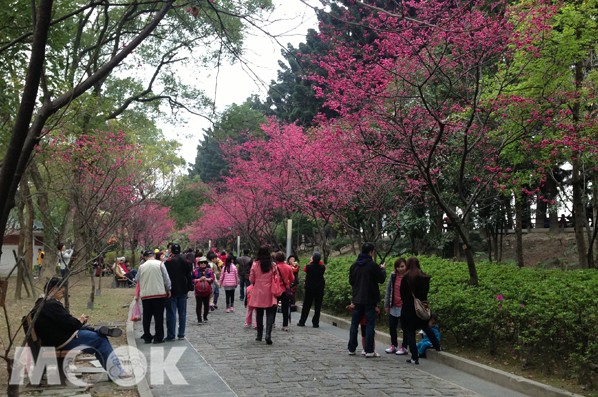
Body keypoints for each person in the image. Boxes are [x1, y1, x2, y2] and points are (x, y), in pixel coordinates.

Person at [32, 277, 129, 380]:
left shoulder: (43, 303)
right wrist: (80, 321)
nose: (63, 291)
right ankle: (116, 371)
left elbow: (63, 321)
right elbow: (70, 324)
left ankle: (97, 331)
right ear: (53, 289)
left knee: (94, 335)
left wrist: (78, 322)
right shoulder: (51, 304)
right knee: (100, 340)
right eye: (61, 289)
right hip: (62, 340)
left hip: (57, 337)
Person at [347, 242, 386, 358]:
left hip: (357, 299)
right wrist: (382, 270)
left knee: (354, 325)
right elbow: (381, 279)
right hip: (370, 300)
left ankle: (351, 348)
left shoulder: (354, 265)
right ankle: (369, 350)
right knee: (369, 325)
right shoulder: (372, 265)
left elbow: (351, 281)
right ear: (371, 252)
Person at [400, 256, 441, 365]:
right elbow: (425, 293)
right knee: (426, 327)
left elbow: (402, 294)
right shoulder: (424, 277)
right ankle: (437, 346)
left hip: (409, 308)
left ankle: (414, 357)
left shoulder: (406, 278)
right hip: (421, 308)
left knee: (410, 332)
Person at [135, 250, 171, 344]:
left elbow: (136, 279)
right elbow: (166, 279)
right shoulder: (160, 264)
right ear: (154, 255)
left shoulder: (141, 267)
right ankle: (158, 337)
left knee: (147, 317)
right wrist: (168, 289)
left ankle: (147, 336)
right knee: (158, 317)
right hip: (159, 294)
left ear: (145, 257)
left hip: (146, 295)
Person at [164, 243, 193, 341]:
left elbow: (166, 277)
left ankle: (171, 335)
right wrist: (189, 287)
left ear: (171, 250)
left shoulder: (168, 262)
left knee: (171, 313)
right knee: (182, 313)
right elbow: (189, 275)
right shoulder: (186, 261)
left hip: (172, 290)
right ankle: (181, 334)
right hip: (183, 289)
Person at [249, 246, 277, 345]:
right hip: (269, 291)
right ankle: (268, 335)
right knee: (270, 313)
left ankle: (259, 335)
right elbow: (276, 277)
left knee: (259, 314)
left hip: (258, 291)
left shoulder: (255, 264)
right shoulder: (272, 265)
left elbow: (251, 279)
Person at [384, 257, 408, 355]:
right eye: (398, 267)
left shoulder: (408, 276)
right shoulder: (393, 276)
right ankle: (393, 345)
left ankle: (404, 347)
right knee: (392, 326)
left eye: (402, 266)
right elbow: (388, 290)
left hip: (404, 306)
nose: (400, 269)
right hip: (393, 305)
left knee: (405, 327)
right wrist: (386, 305)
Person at [297, 252, 326, 328]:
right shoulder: (322, 267)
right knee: (318, 306)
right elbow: (322, 265)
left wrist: (311, 261)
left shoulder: (308, 267)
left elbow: (305, 269)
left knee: (306, 305)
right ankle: (315, 323)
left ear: (313, 259)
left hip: (309, 288)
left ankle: (302, 321)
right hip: (319, 288)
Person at [273, 251, 294, 331]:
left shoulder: (274, 267)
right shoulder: (288, 267)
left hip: (276, 290)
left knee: (274, 307)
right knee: (285, 308)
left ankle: (272, 323)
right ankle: (285, 325)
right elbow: (292, 279)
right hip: (285, 290)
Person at [193, 257, 213, 323]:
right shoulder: (195, 271)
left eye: (204, 262)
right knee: (198, 305)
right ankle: (199, 319)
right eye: (201, 262)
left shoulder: (209, 270)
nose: (203, 264)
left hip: (207, 291)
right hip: (198, 291)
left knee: (206, 305)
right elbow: (192, 280)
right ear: (199, 264)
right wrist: (199, 280)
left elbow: (212, 279)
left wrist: (206, 279)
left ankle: (205, 316)